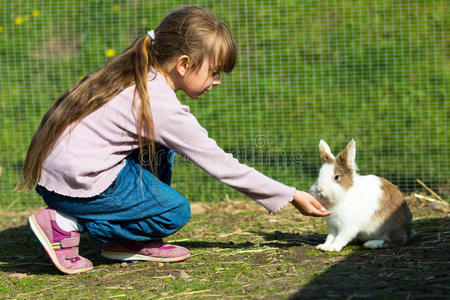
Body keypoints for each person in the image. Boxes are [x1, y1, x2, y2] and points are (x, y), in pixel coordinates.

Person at [16, 6, 330, 275]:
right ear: (183, 64)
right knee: (173, 212)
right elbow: (219, 163)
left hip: (63, 175)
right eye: (214, 72)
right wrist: (289, 194)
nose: (217, 82)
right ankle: (65, 223)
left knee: (161, 150)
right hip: (76, 185)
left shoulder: (137, 73)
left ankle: (126, 242)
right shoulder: (161, 106)